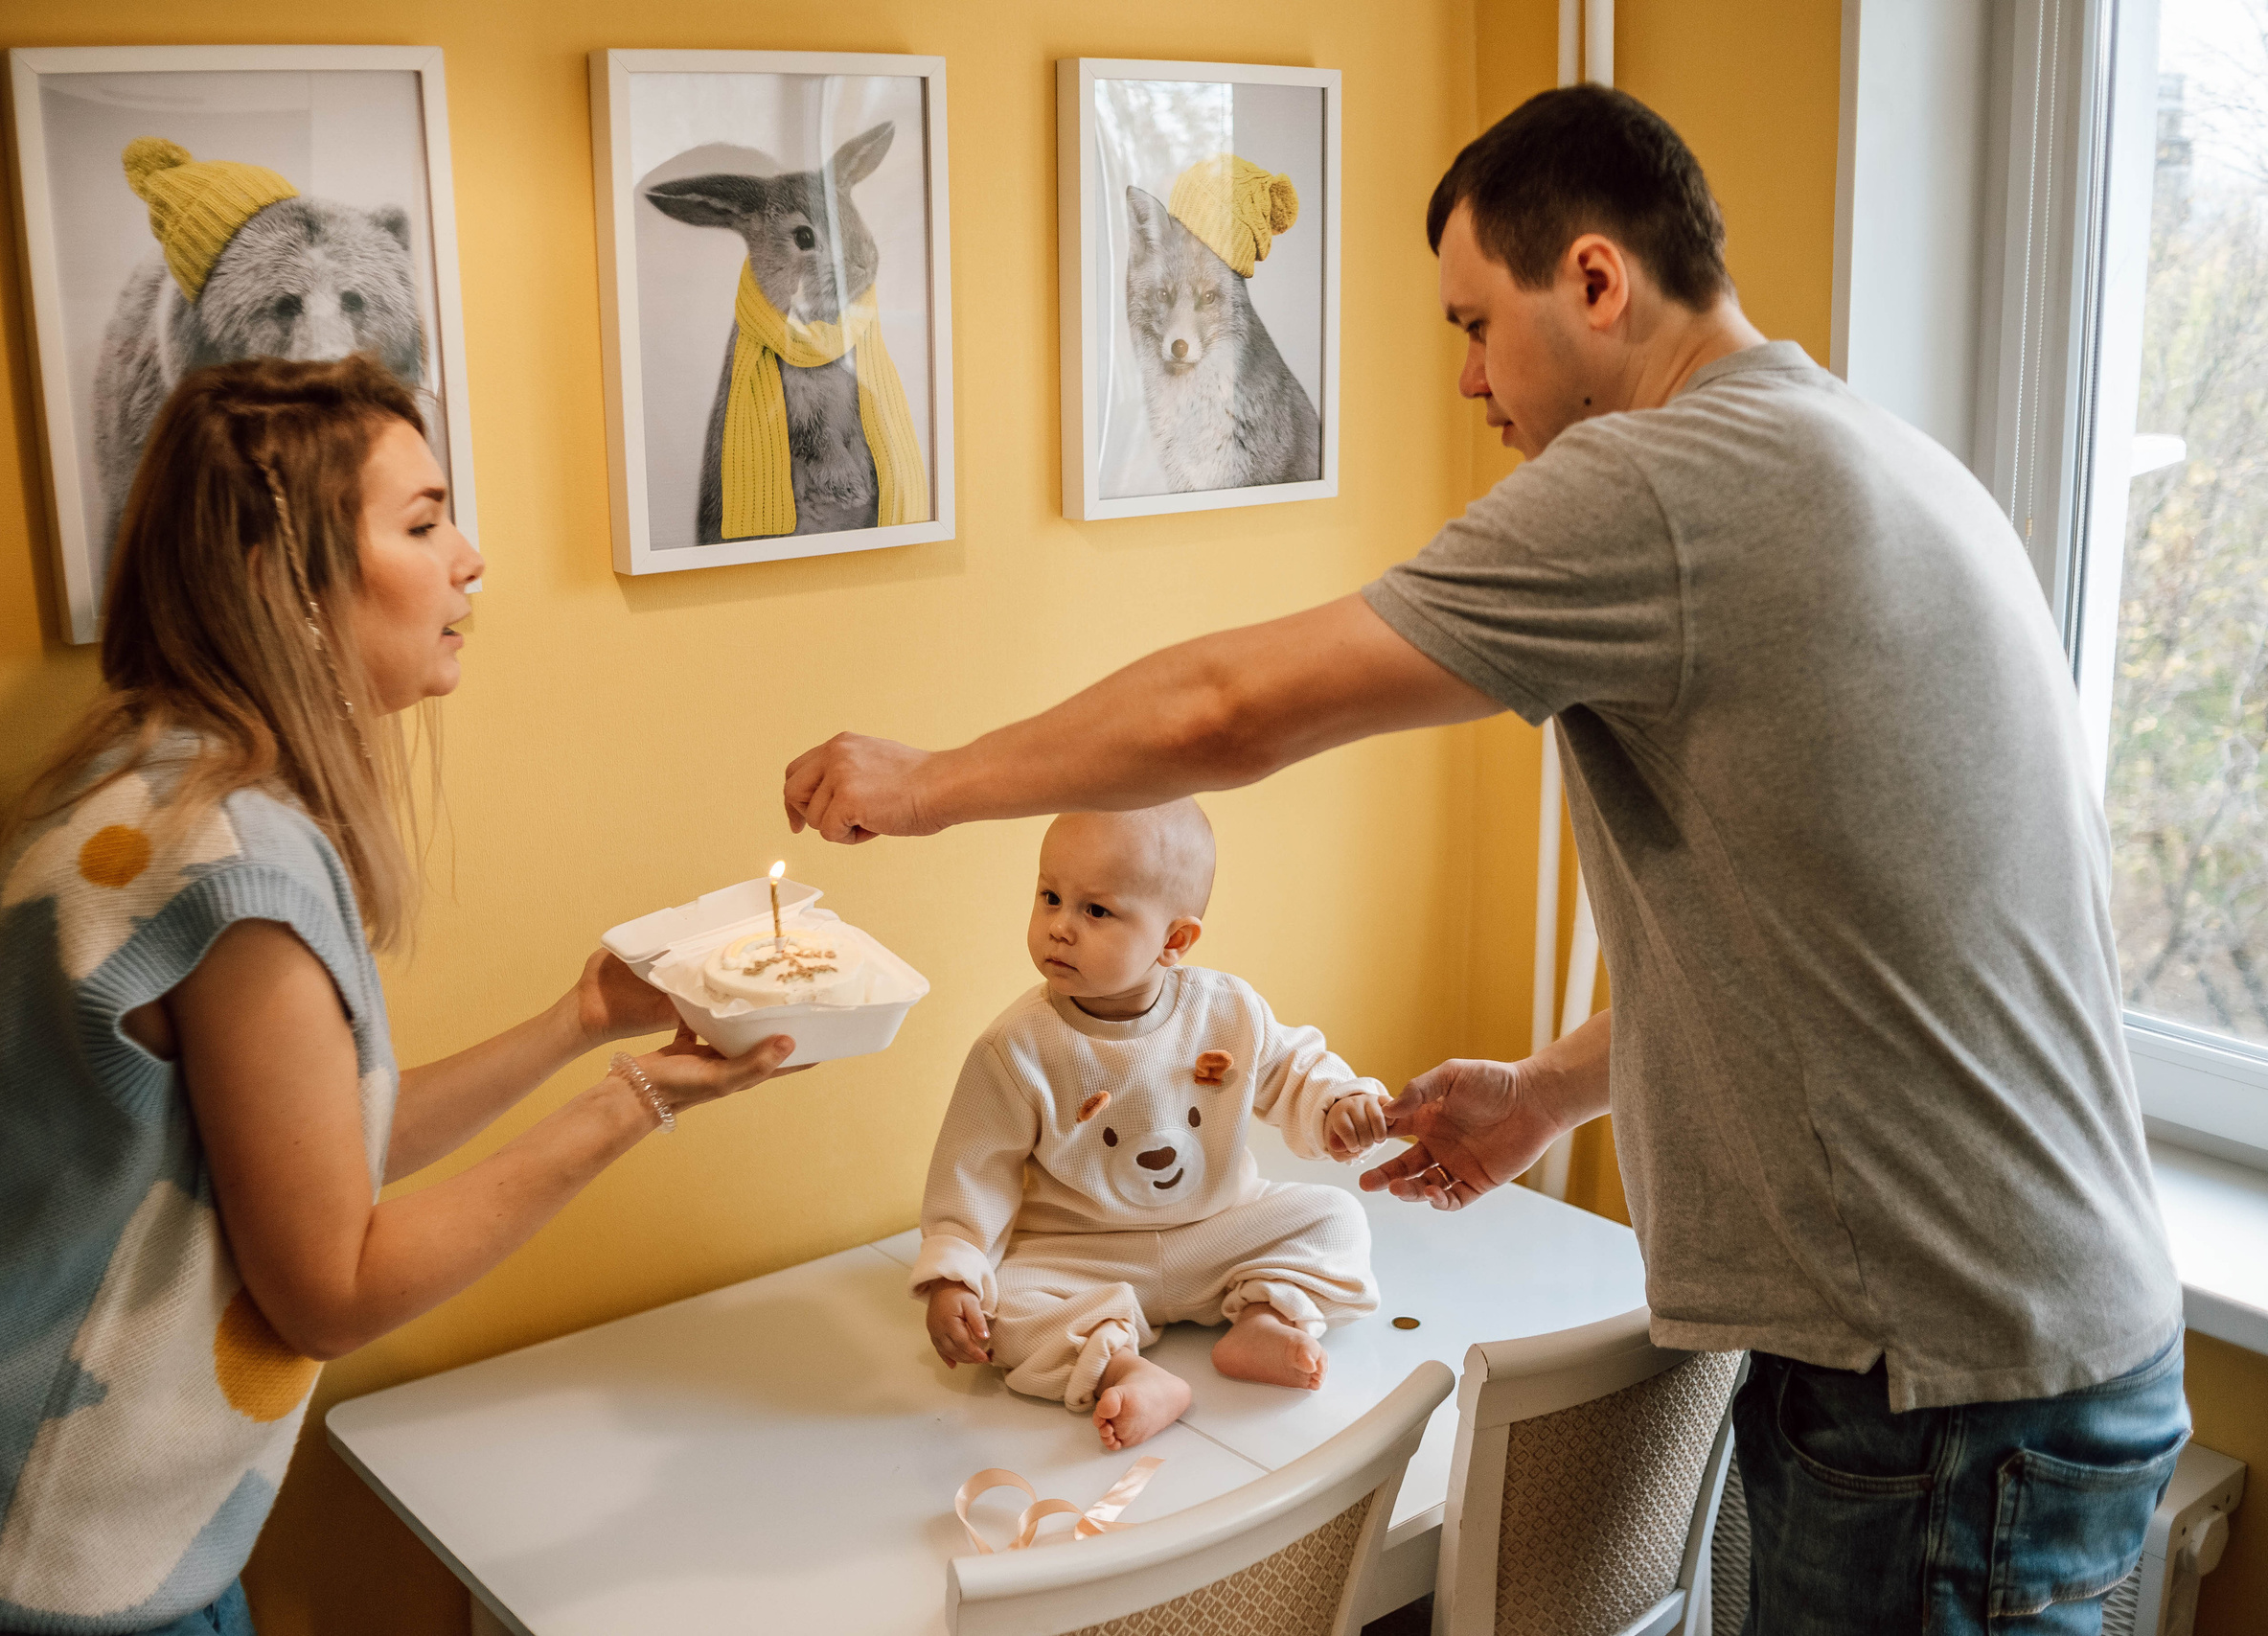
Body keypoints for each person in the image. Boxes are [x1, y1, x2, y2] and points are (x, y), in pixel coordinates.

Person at [783, 86, 2188, 1632]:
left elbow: (1234, 708)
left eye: (1474, 324)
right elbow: (1847, 950)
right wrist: (1552, 1089)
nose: (1465, 377)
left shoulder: (1661, 483)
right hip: (2040, 1337)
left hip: (1942, 1388)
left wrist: (929, 784)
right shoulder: (1869, 453)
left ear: (1594, 280)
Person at [0, 357, 797, 1633]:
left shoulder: (144, 778)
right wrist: (636, 1103)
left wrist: (581, 1019)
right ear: (287, 579)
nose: (471, 559)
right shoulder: (239, 862)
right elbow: (329, 1286)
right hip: (31, 1575)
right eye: (423, 523)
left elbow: (302, 1155)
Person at [915, 802, 1391, 1451]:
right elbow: (974, 1169)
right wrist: (955, 1274)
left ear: (1175, 940)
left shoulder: (1227, 1009)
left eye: (1095, 910)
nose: (1060, 927)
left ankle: (1263, 1317)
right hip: (1083, 1254)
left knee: (1337, 1218)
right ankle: (1123, 1369)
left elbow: (1294, 1068)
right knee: (1004, 1308)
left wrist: (1338, 1102)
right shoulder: (1016, 1046)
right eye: (1050, 897)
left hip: (1216, 1234)